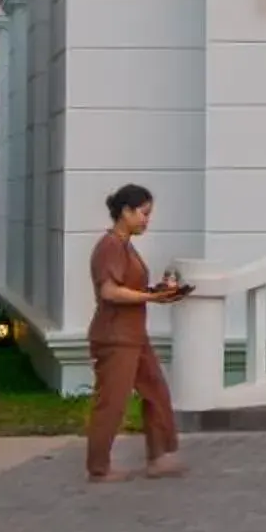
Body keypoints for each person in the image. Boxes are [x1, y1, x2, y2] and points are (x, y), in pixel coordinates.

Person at [86, 182, 188, 483]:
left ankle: (159, 457)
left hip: (134, 335)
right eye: (143, 213)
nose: (146, 220)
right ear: (125, 211)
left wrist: (160, 292)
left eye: (148, 214)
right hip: (115, 336)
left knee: (156, 392)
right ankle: (99, 467)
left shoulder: (127, 246)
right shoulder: (110, 246)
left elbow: (129, 288)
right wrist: (151, 298)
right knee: (112, 402)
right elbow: (110, 291)